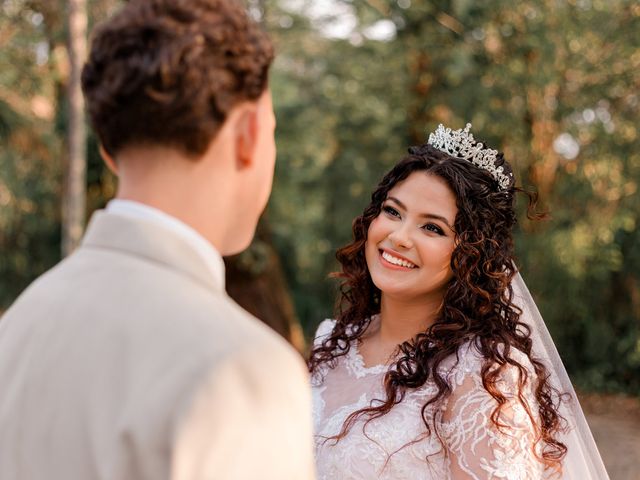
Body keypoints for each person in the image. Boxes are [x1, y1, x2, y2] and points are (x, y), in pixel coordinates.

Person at [0, 1, 315, 479]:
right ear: (249, 135)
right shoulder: (243, 367)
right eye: (272, 131)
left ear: (108, 148)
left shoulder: (20, 325)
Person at [309, 124, 609, 479]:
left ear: (469, 255)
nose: (399, 237)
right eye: (393, 211)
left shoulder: (483, 376)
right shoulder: (332, 340)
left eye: (432, 228)